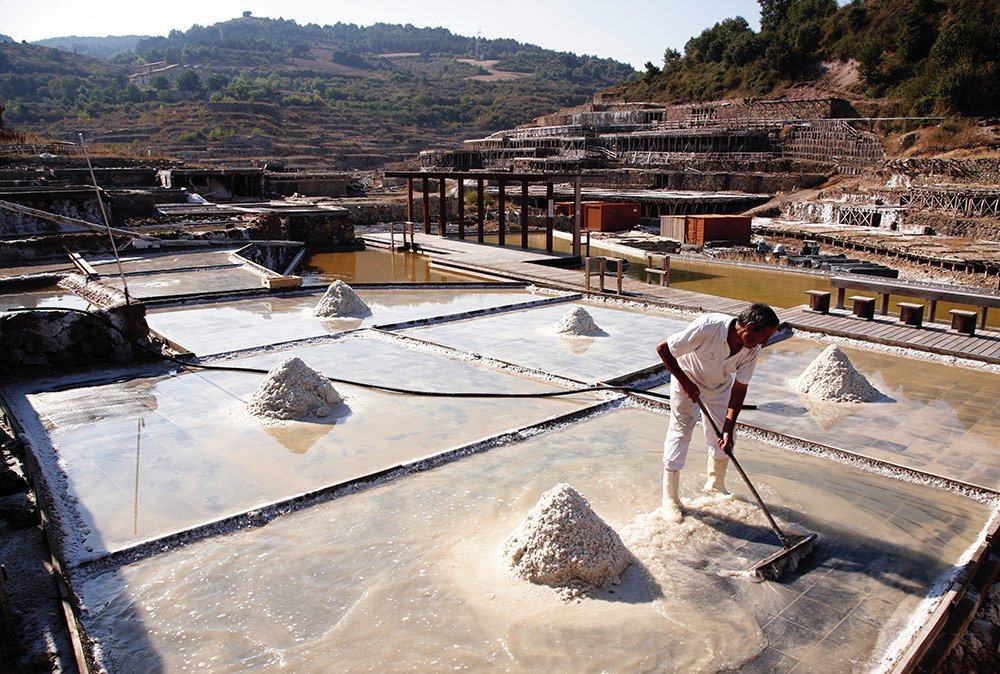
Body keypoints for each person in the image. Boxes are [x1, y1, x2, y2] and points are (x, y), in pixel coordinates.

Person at [654, 303, 780, 521]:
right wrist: (685, 383)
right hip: (688, 377)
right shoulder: (709, 327)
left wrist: (729, 426)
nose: (765, 342)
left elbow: (740, 387)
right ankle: (671, 499)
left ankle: (715, 485)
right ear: (749, 327)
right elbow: (663, 349)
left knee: (724, 437)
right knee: (681, 432)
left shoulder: (753, 349)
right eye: (764, 336)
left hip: (719, 386)